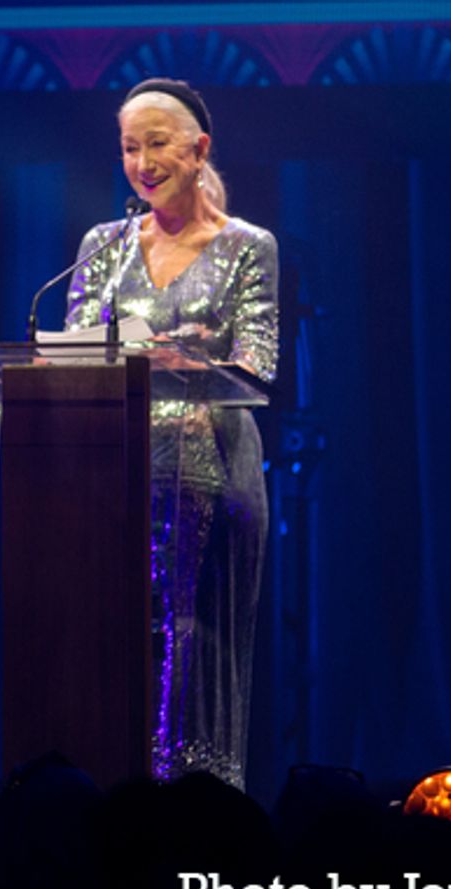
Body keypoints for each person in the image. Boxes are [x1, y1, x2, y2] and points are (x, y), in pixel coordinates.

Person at [65, 77, 279, 790]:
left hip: (211, 470)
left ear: (199, 150)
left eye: (157, 143)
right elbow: (72, 353)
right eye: (130, 147)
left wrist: (186, 356)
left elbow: (257, 365)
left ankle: (199, 815)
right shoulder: (105, 245)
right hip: (115, 471)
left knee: (196, 645)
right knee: (116, 644)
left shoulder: (248, 246)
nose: (142, 160)